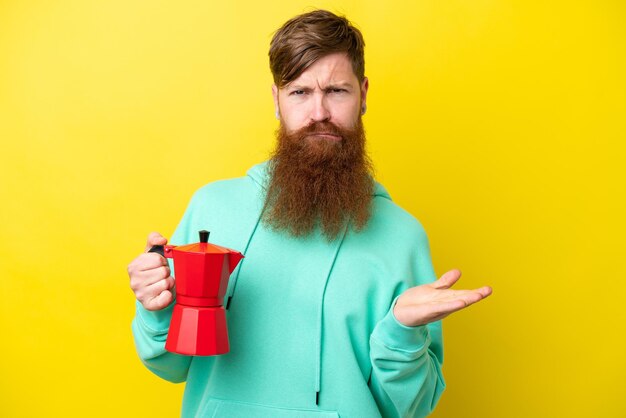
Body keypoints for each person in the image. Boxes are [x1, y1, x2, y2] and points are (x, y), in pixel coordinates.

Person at [128, 9, 492, 418]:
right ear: (276, 101)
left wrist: (402, 336)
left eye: (336, 90)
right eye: (300, 92)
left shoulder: (402, 236)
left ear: (364, 94)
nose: (319, 112)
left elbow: (411, 408)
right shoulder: (212, 208)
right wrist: (156, 308)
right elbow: (171, 366)